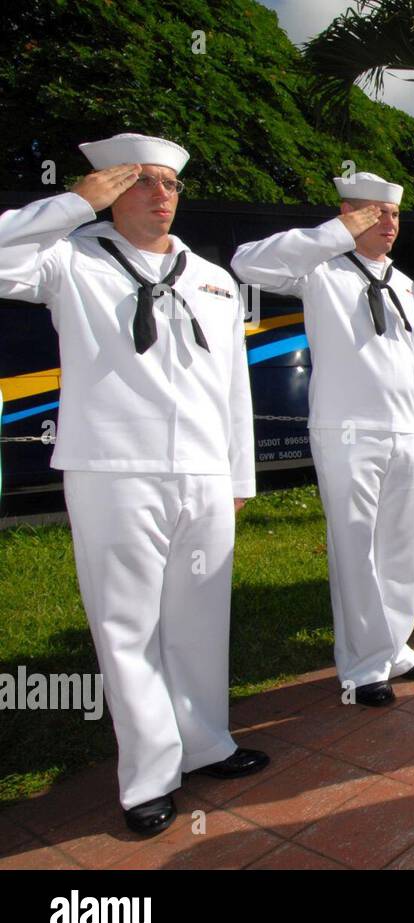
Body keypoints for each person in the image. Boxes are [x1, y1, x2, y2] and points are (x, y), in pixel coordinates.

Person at [0, 133, 268, 836]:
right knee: (127, 629)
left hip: (203, 473)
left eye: (170, 184)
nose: (159, 195)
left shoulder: (211, 276)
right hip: (113, 471)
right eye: (142, 181)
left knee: (201, 616)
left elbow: (232, 383)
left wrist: (237, 472)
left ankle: (206, 740)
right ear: (111, 188)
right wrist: (66, 205)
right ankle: (148, 775)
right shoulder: (68, 259)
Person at [231, 172, 414, 708]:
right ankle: (363, 667)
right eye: (375, 213)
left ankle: (395, 647)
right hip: (347, 432)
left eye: (393, 214)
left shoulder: (403, 283)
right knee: (355, 548)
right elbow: (247, 261)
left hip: (400, 433)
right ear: (349, 212)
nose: (388, 223)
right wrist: (334, 232)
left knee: (400, 546)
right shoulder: (320, 270)